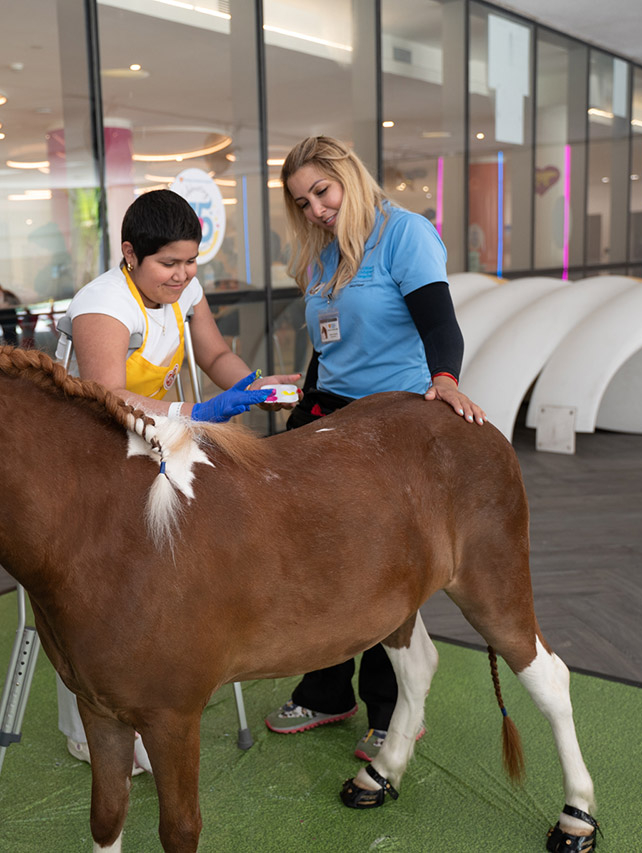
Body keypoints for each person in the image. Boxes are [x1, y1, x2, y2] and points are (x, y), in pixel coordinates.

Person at [52, 188, 300, 772]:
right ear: (130, 253)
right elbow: (107, 395)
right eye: (170, 263)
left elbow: (214, 356)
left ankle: (163, 674)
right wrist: (201, 414)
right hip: (86, 453)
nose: (183, 275)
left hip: (150, 436)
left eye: (191, 262)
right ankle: (91, 723)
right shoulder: (103, 304)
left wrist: (256, 387)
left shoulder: (184, 289)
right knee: (90, 589)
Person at [263, 136, 487, 768]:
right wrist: (301, 409)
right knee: (323, 559)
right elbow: (326, 347)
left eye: (321, 193)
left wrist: (444, 379)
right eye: (301, 202)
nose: (314, 210)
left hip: (394, 425)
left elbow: (440, 323)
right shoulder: (319, 255)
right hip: (331, 418)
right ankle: (327, 689)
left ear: (349, 178)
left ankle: (392, 711)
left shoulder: (404, 234)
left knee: (384, 568)